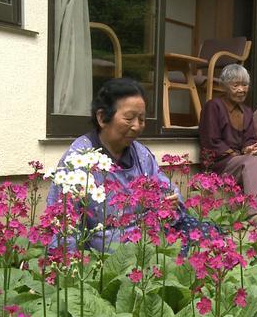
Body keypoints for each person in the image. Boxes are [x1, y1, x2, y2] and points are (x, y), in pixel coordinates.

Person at [47, 78, 213, 251]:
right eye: (129, 118)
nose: (136, 126)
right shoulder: (77, 161)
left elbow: (168, 191)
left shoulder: (141, 154)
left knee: (208, 241)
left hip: (151, 239)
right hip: (109, 251)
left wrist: (170, 202)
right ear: (103, 118)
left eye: (141, 119)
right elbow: (61, 223)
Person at [198, 64, 257, 223]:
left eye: (244, 85)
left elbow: (251, 138)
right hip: (219, 165)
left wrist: (250, 147)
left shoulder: (247, 111)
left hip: (241, 162)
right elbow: (211, 141)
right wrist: (240, 154)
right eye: (235, 85)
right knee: (251, 161)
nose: (241, 89)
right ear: (224, 86)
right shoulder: (213, 106)